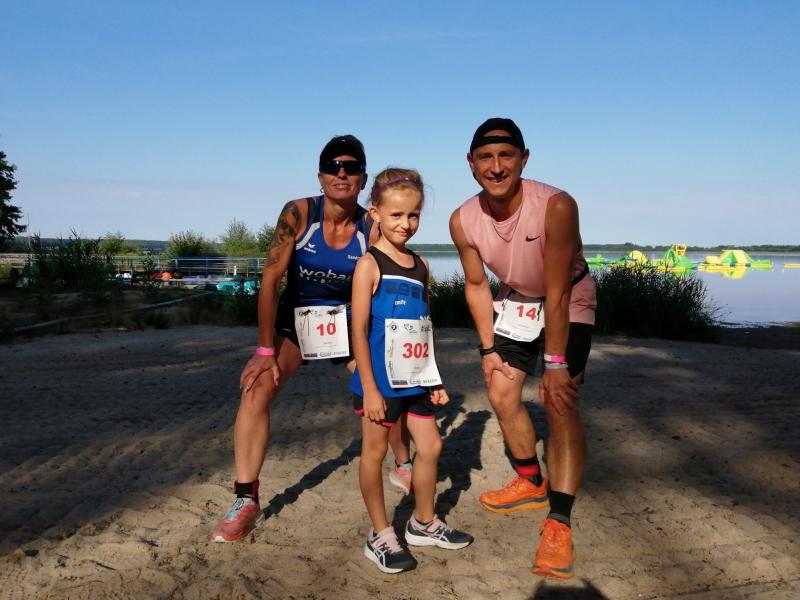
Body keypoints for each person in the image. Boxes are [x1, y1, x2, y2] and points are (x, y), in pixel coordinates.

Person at [210, 136, 412, 542]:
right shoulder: (298, 213)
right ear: (320, 175)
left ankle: (403, 463)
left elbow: (387, 279)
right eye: (333, 166)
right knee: (255, 389)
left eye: (351, 167)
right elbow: (271, 279)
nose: (342, 173)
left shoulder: (370, 225)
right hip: (297, 321)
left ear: (363, 178)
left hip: (349, 320)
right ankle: (246, 499)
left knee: (385, 385)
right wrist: (264, 349)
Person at [449, 118, 596, 579]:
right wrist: (487, 348)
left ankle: (559, 520)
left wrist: (555, 363)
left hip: (567, 297)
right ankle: (531, 481)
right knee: (500, 390)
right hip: (515, 300)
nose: (496, 167)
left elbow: (557, 291)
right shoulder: (462, 219)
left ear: (523, 159)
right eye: (486, 158)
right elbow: (476, 285)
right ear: (471, 164)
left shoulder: (556, 205)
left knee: (559, 401)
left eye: (506, 156)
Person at [350, 168, 474, 573]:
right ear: (375, 213)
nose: (406, 223)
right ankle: (380, 534)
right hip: (380, 382)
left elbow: (424, 326)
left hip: (416, 378)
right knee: (373, 453)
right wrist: (369, 387)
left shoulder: (421, 264)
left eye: (414, 215)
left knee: (432, 447)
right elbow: (358, 329)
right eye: (397, 215)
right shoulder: (369, 264)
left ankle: (423, 522)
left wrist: (433, 377)